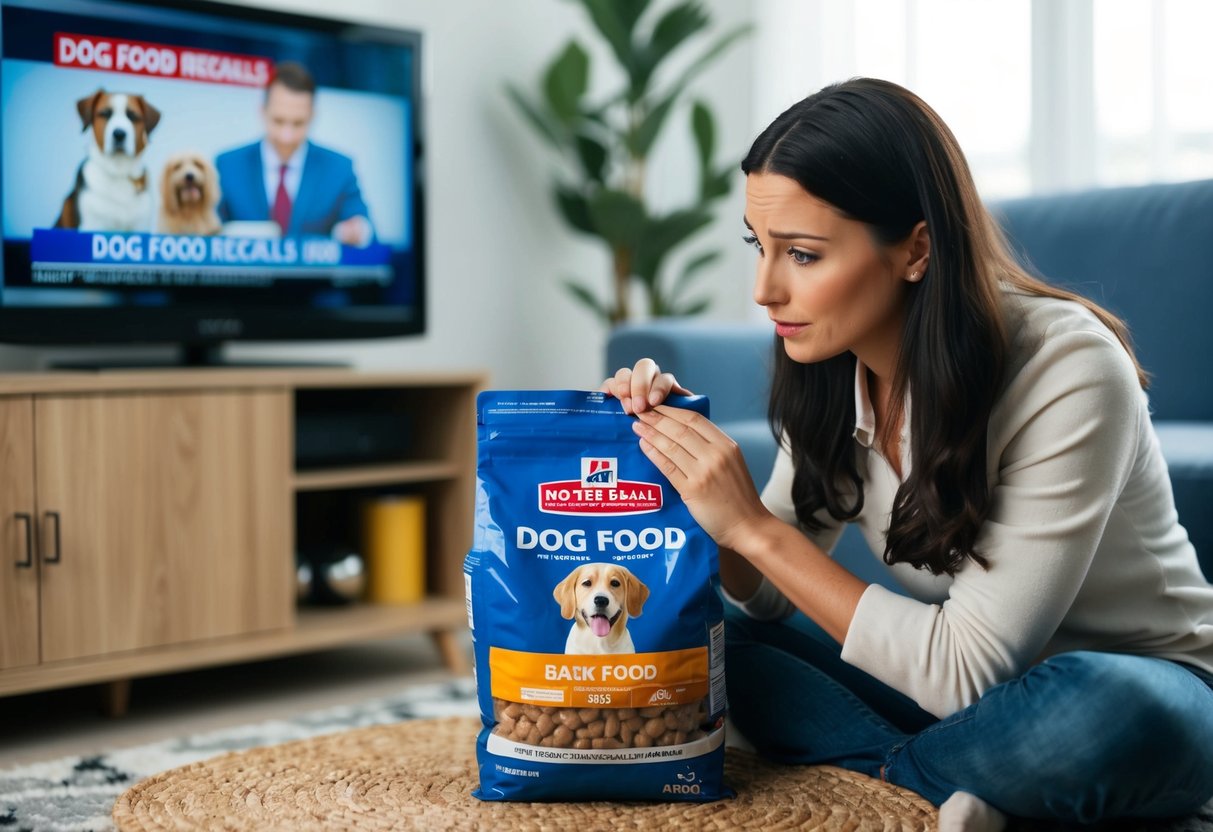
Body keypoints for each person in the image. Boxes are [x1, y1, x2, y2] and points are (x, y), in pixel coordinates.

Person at [602, 78, 1213, 831]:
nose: (763, 289)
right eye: (757, 247)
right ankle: (956, 788)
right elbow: (765, 597)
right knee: (728, 647)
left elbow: (963, 669)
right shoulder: (826, 361)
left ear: (916, 248)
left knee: (1107, 709)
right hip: (969, 707)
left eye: (801, 253)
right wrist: (683, 474)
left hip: (1141, 692)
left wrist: (754, 529)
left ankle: (877, 784)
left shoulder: (1067, 365)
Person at [215, 61, 373, 246]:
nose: (286, 137)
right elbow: (209, 233)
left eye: (298, 123)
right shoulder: (228, 166)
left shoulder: (339, 169)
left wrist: (358, 231)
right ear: (262, 112)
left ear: (312, 116)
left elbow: (365, 229)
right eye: (278, 121)